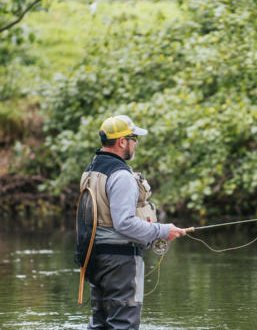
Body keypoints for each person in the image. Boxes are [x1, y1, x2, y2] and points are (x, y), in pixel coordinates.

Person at [80, 115, 186, 329]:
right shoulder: (121, 176)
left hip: (94, 258)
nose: (136, 143)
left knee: (100, 324)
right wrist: (162, 230)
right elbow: (124, 223)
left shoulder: (90, 171)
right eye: (134, 138)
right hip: (120, 262)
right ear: (121, 142)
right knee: (123, 324)